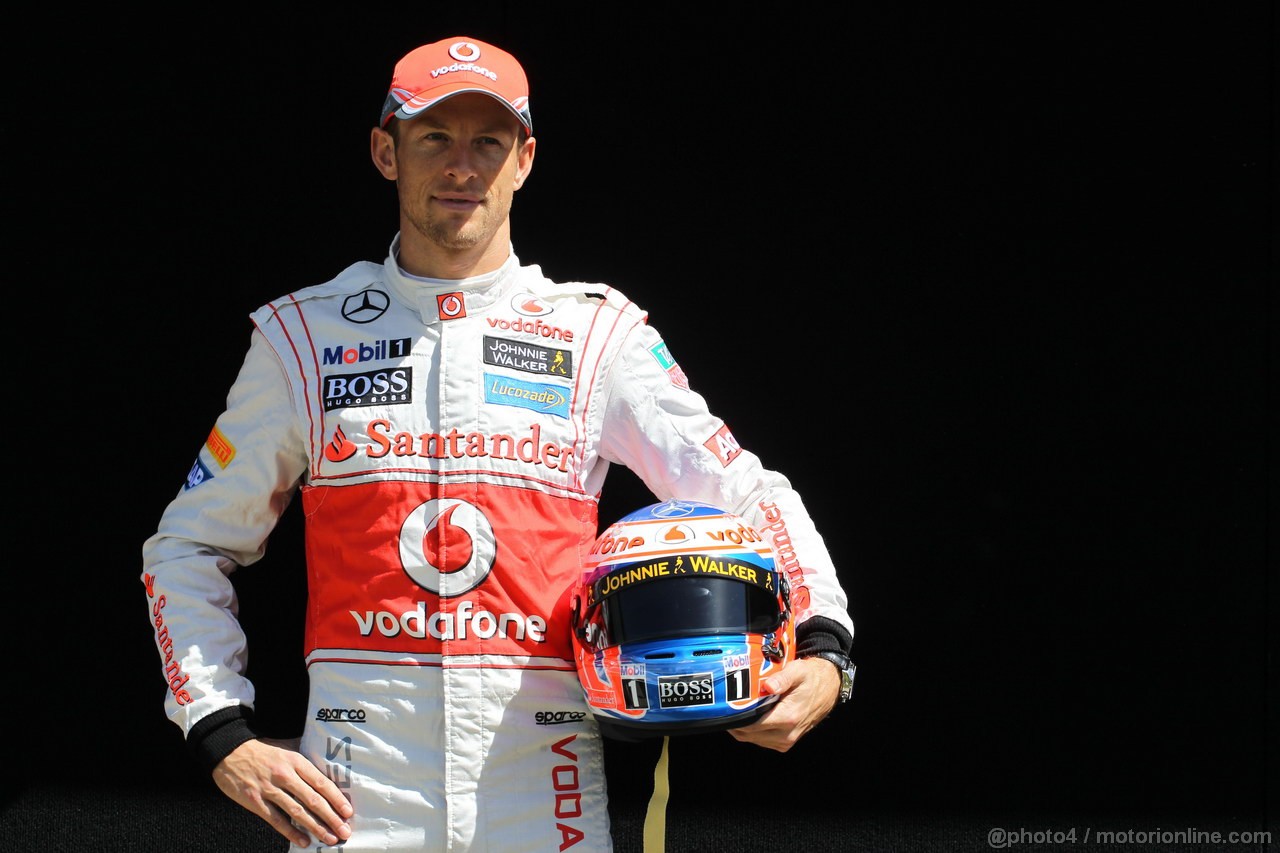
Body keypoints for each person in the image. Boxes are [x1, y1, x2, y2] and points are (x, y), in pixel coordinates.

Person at [141, 35, 856, 852]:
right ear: (386, 151)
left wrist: (827, 647)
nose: (462, 167)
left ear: (524, 159)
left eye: (489, 141)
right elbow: (187, 546)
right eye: (435, 138)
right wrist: (220, 730)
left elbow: (752, 494)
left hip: (543, 788)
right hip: (352, 794)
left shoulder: (595, 333)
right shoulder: (303, 336)